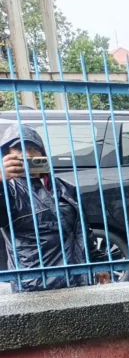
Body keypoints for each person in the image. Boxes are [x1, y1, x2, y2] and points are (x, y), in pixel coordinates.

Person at [0, 125, 86, 291]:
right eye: (19, 148)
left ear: (42, 154)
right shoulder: (9, 191)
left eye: (34, 148)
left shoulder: (63, 187)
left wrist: (97, 263)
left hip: (78, 278)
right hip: (37, 285)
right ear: (6, 155)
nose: (28, 154)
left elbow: (82, 228)